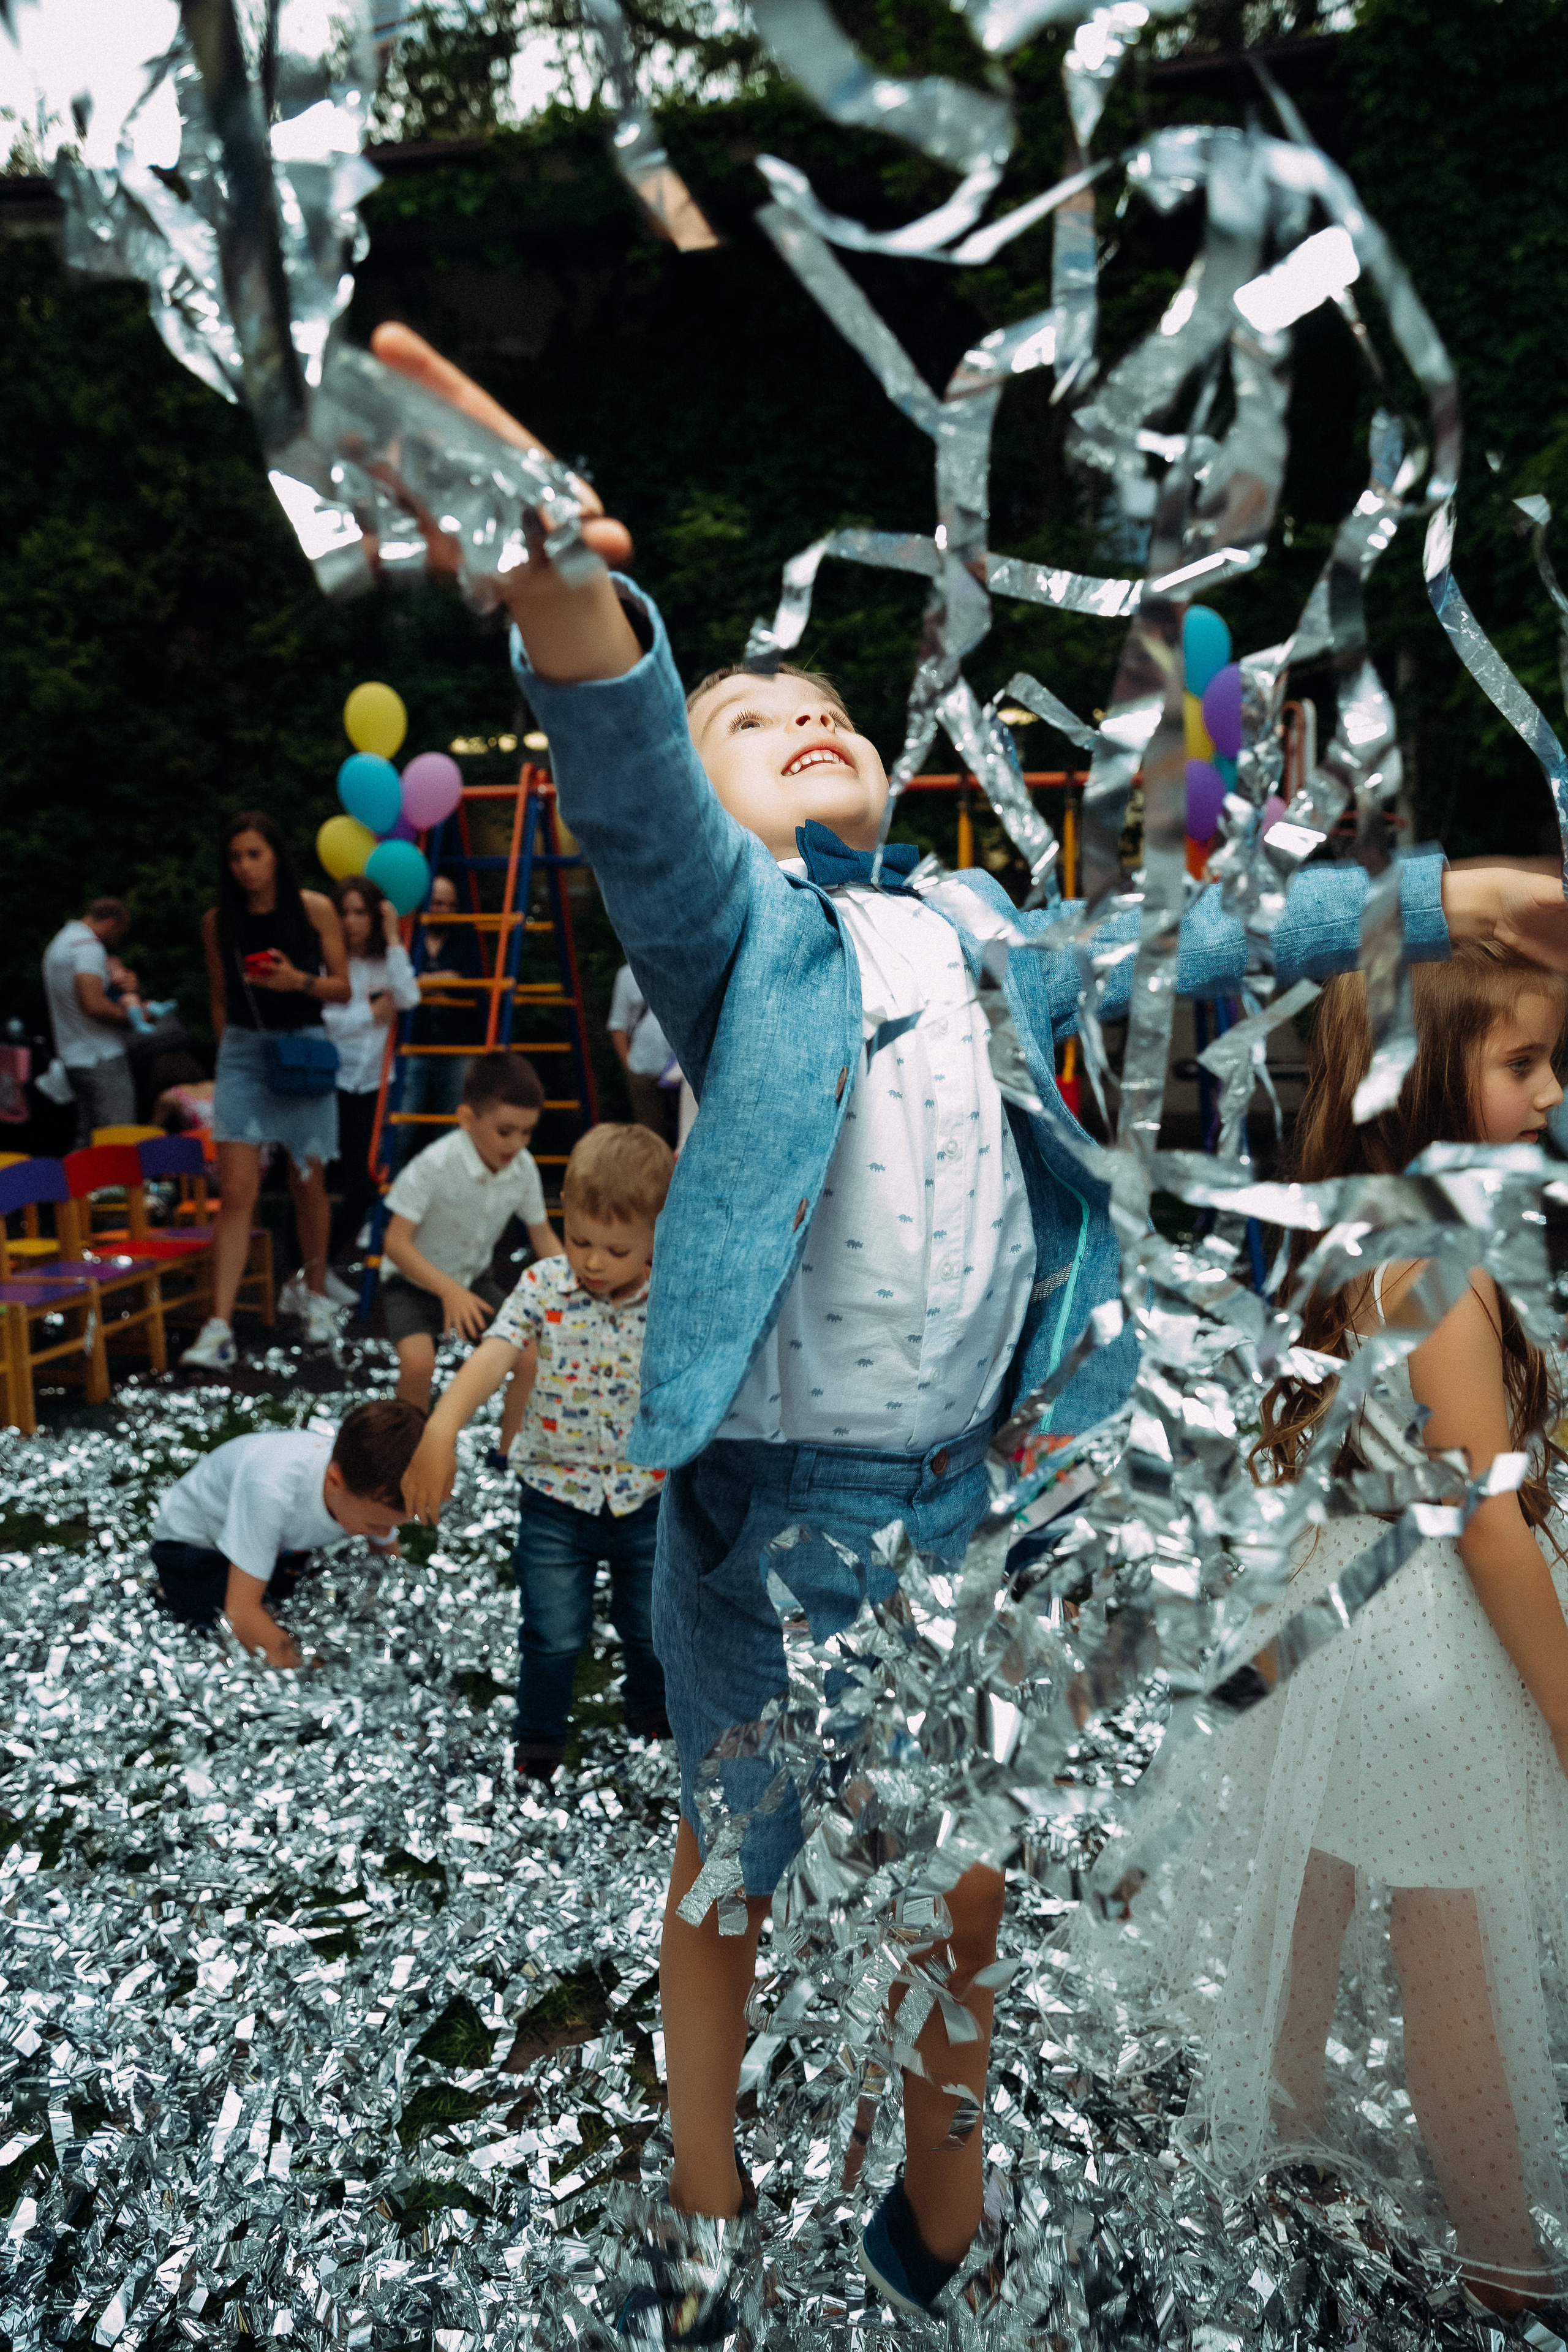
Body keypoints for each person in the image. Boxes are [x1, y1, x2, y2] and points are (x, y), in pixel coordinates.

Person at [373, 320, 1568, 2328]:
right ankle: (704, 2190)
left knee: (970, 1881)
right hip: (758, 1519)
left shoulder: (988, 929)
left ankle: (935, 2202)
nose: (810, 722)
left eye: (829, 701)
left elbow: (1207, 936)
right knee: (730, 1864)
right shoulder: (734, 938)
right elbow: (634, 784)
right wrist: (567, 588)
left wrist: (1439, 901)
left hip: (960, 1505)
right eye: (760, 725)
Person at [1096, 944, 1568, 2318]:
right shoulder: (1434, 1265)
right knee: (1455, 1948)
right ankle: (1502, 2257)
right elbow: (1484, 1520)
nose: (1550, 1089)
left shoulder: (1377, 1235)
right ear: (1421, 1089)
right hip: (1421, 1648)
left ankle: (1276, 2130)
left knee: (1310, 1886)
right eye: (1520, 1064)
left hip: (1338, 1617)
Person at [404, 1121, 674, 1776]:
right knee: (551, 1635)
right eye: (579, 1239)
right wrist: (440, 1429)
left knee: (650, 1631)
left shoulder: (673, 1295)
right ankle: (539, 1742)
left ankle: (653, 1716)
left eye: (615, 1248)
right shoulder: (544, 1286)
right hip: (555, 1500)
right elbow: (495, 1355)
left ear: (658, 1238)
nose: (593, 1262)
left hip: (646, 1499)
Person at [180, 810, 351, 1371]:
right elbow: (219, 995)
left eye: (255, 853)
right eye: (236, 857)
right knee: (236, 1192)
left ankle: (317, 1295)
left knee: (308, 1182)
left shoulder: (314, 909)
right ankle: (220, 1325)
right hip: (245, 1053)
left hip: (302, 1045)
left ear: (276, 854)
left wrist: (294, 980)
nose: (246, 866)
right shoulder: (219, 923)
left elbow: (343, 987)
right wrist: (228, 1050)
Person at [150, 1398, 423, 1668]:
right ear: (334, 1481)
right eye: (374, 1525)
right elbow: (240, 1612)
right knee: (221, 1625)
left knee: (325, 1596)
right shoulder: (271, 1491)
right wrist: (310, 1667)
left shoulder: (365, 1477)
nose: (385, 1534)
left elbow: (389, 1563)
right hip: (193, 1547)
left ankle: (269, 1572)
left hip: (277, 1541)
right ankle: (171, 1587)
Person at [380, 1049, 558, 1434]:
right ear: (466, 1119)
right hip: (412, 1283)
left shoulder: (523, 1167)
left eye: (527, 1132)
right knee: (418, 1363)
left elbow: (543, 1237)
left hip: (473, 1282)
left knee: (528, 1354)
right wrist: (447, 1291)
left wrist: (576, 1288)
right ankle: (409, 1448)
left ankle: (510, 1450)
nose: (516, 1144)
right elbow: (395, 1244)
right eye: (505, 1131)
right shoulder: (435, 1163)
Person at [321, 875, 421, 1267]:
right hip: (330, 1083)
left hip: (372, 1086)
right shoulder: (327, 959)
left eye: (360, 912)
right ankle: (309, 1270)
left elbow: (410, 997)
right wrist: (371, 1015)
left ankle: (317, 1266)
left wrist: (394, 938)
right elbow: (323, 1021)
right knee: (315, 1184)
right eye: (343, 912)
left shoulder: (387, 960)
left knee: (363, 1186)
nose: (351, 921)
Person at [395, 869, 486, 1168]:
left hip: (458, 1047)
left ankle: (443, 1207)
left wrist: (419, 985)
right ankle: (383, 1207)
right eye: (436, 903)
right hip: (413, 1046)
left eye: (449, 904)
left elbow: (474, 991)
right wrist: (443, 981)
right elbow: (396, 987)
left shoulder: (467, 937)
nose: (443, 910)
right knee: (399, 1129)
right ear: (423, 904)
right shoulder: (407, 938)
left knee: (452, 1132)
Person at [40, 896, 135, 1145]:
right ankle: (115, 1185)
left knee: (87, 1140)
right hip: (101, 1057)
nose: (117, 941)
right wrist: (134, 1016)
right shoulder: (88, 947)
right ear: (111, 924)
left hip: (73, 1057)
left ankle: (70, 1185)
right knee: (118, 1140)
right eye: (119, 933)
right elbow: (93, 1004)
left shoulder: (61, 943)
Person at [608, 961, 679, 1145]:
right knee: (650, 1141)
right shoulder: (626, 974)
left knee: (689, 1136)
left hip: (683, 1071)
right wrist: (630, 1066)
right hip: (643, 1070)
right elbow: (618, 1026)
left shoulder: (686, 964)